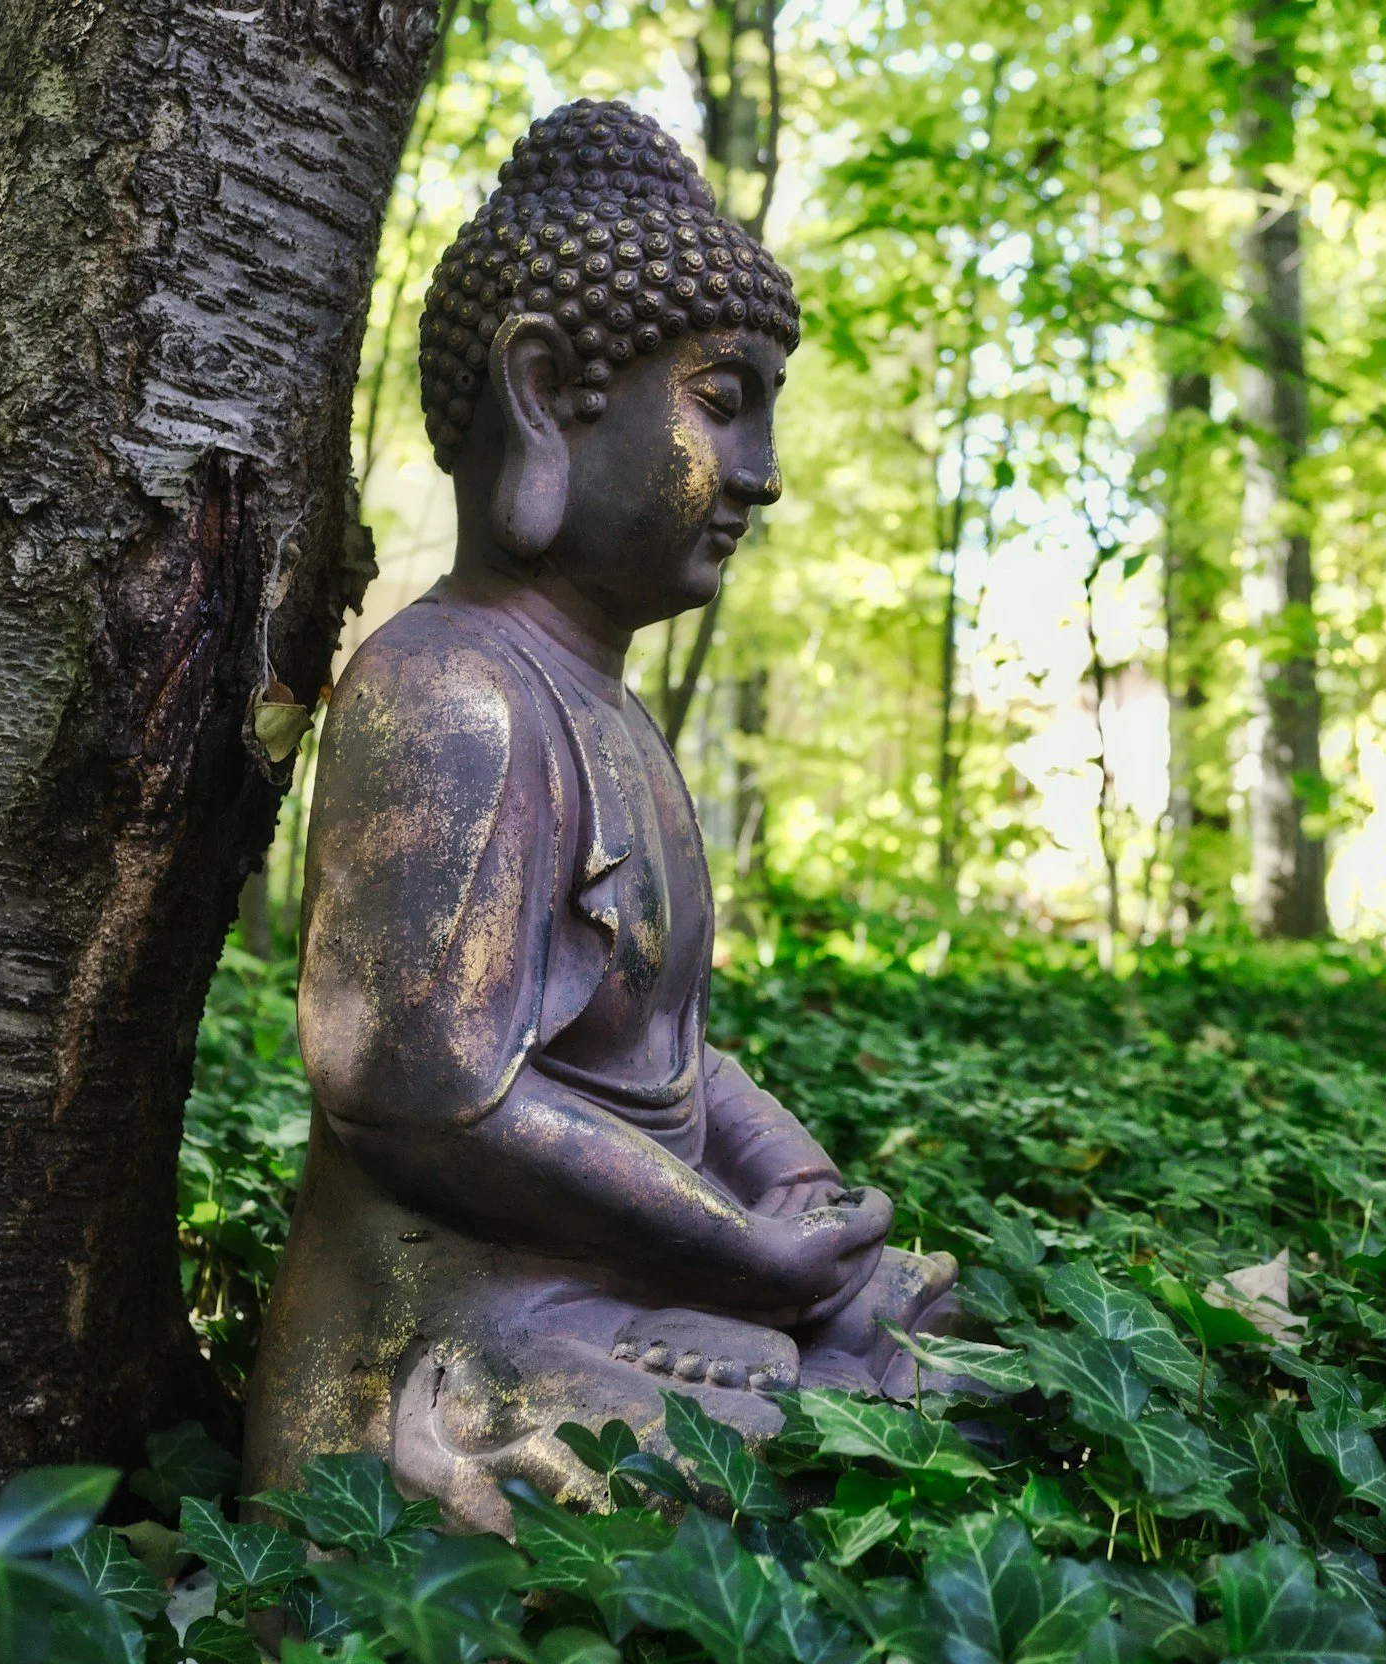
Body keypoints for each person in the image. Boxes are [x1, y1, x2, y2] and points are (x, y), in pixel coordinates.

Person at [243, 101, 956, 1531]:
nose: (760, 472)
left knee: (933, 1334)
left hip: (622, 1285)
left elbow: (668, 1051)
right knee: (815, 1436)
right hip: (451, 1346)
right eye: (722, 398)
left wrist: (795, 1196)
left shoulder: (612, 712)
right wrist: (742, 1255)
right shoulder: (447, 690)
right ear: (546, 389)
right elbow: (424, 1097)